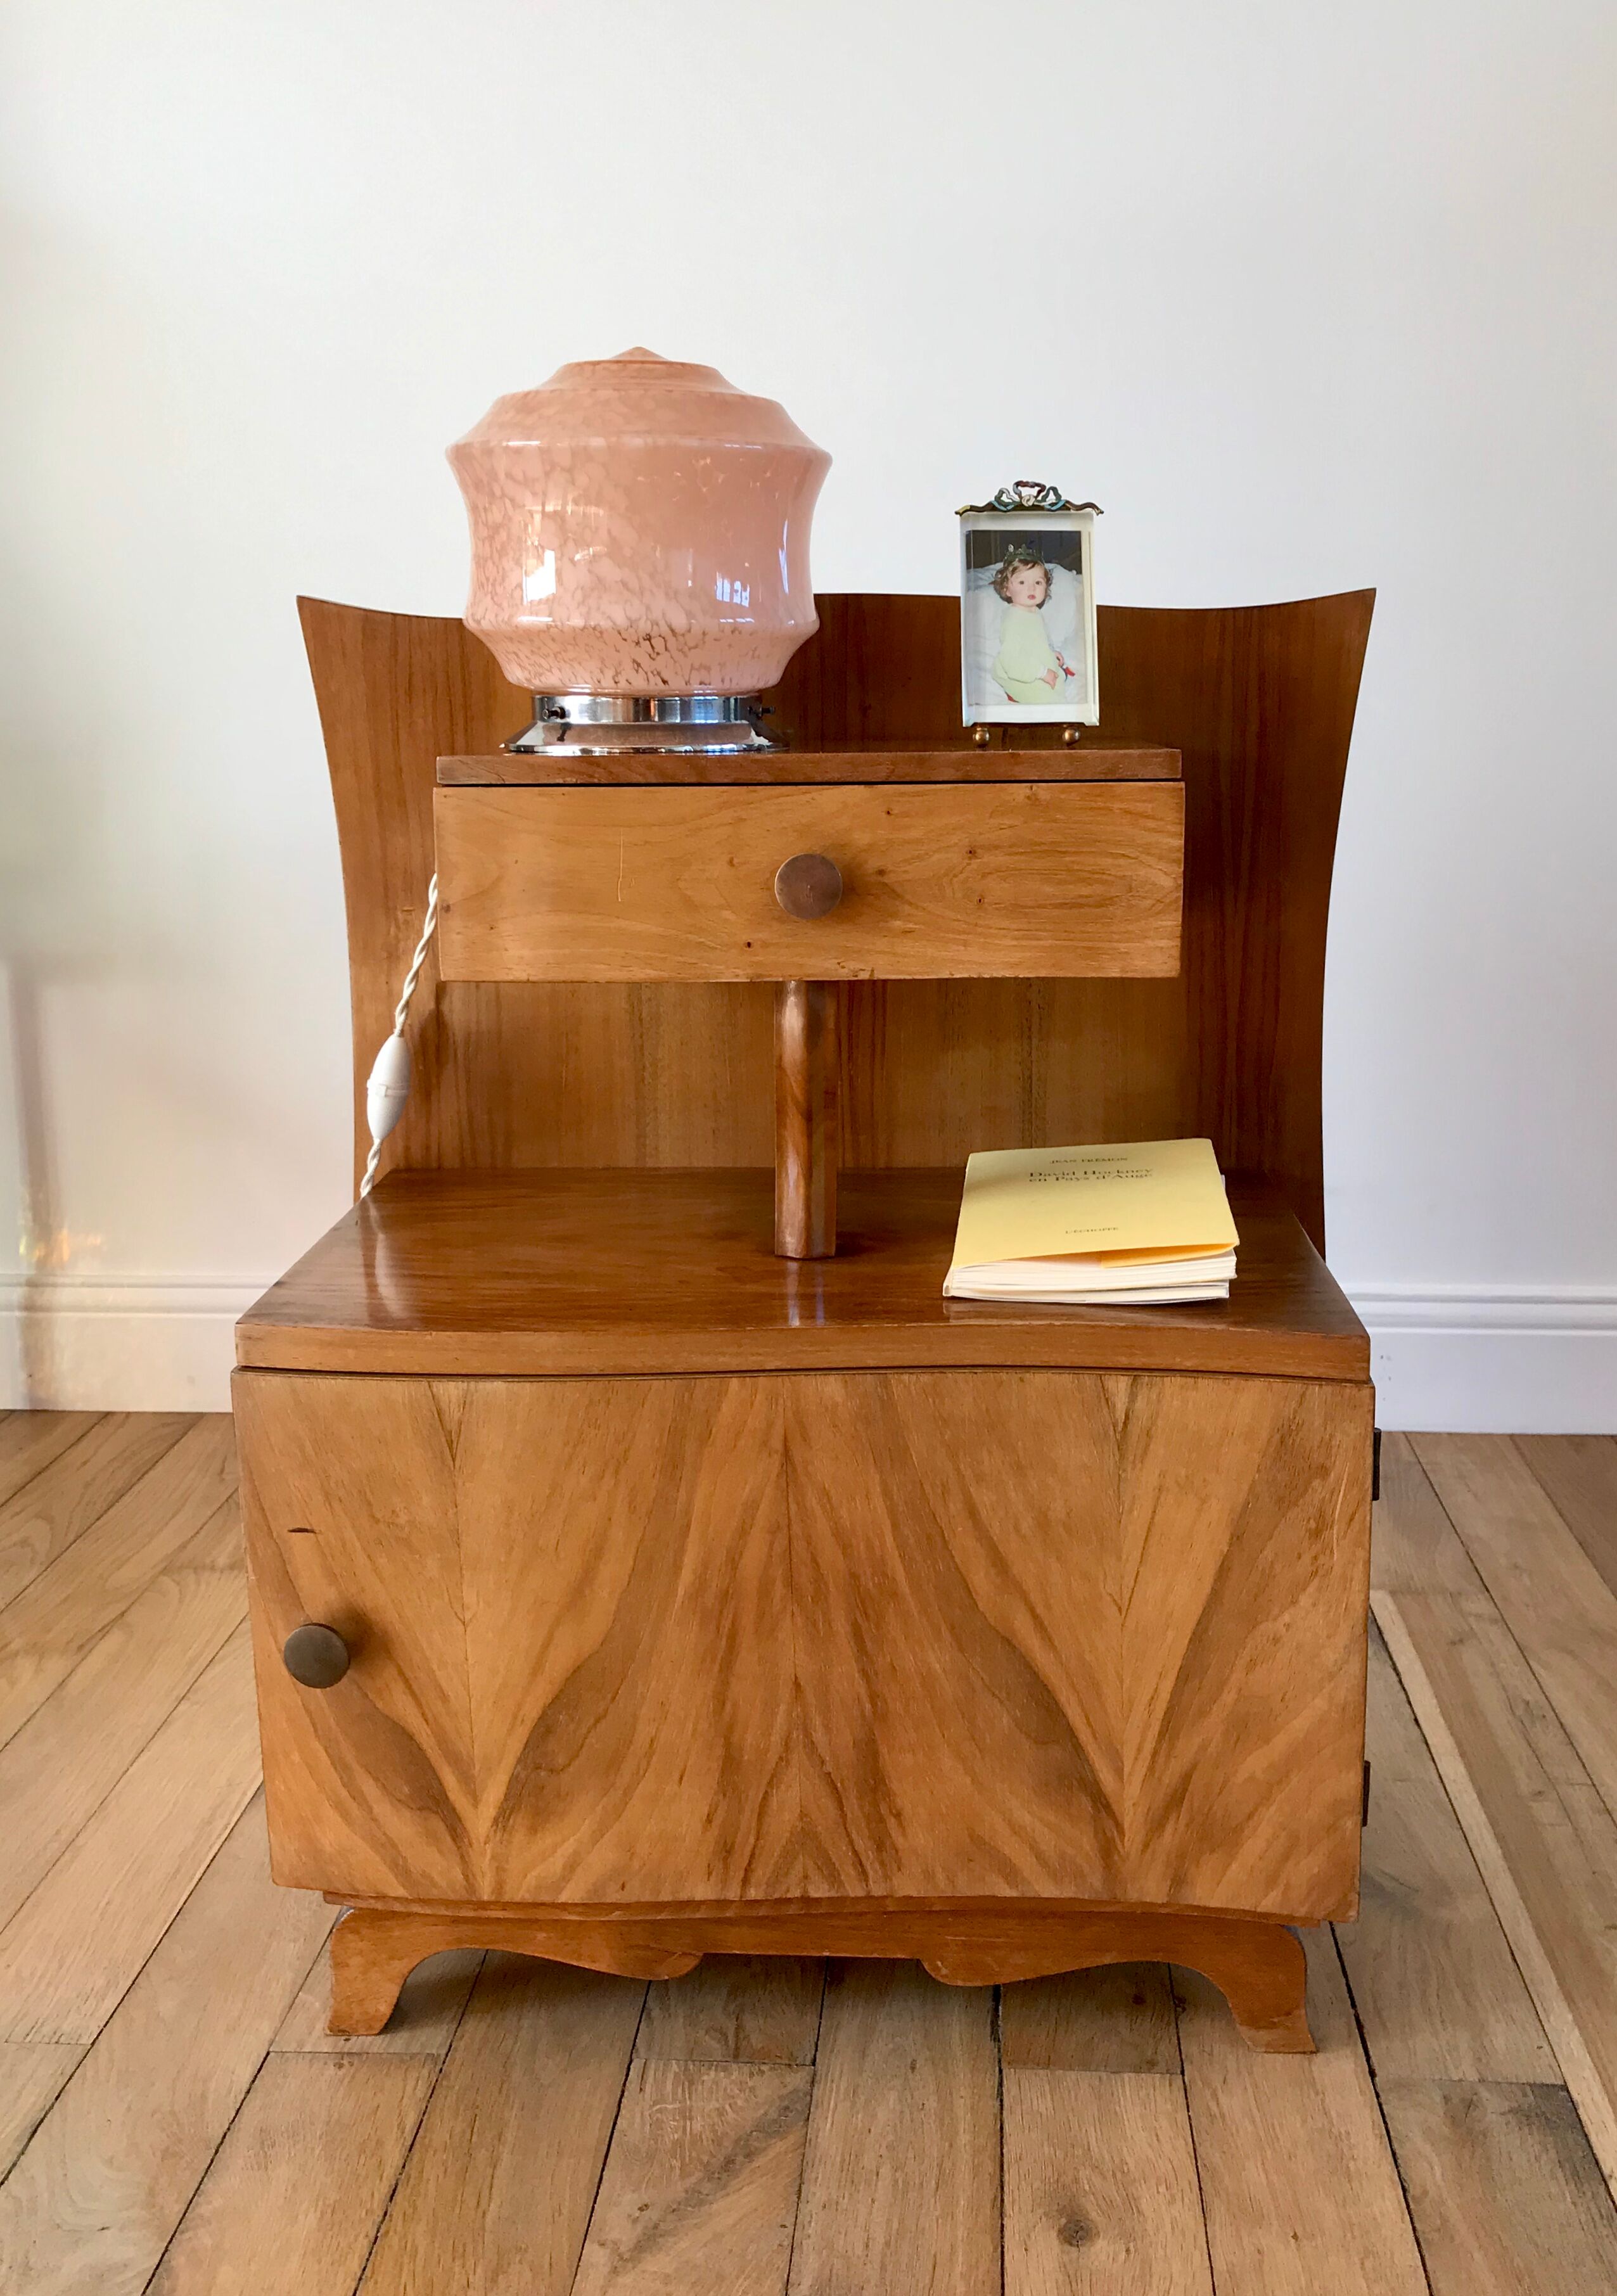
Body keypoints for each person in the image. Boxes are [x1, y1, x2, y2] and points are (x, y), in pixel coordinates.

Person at [989, 546, 1073, 704]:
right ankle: (1017, 692)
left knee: (1058, 680)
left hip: (1033, 662)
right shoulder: (1013, 618)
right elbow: (1011, 658)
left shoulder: (1034, 612)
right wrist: (1042, 673)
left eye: (1038, 582)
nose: (1032, 587)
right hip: (1019, 670)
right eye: (1022, 582)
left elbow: (1037, 641)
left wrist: (1051, 652)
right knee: (1050, 699)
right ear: (1007, 589)